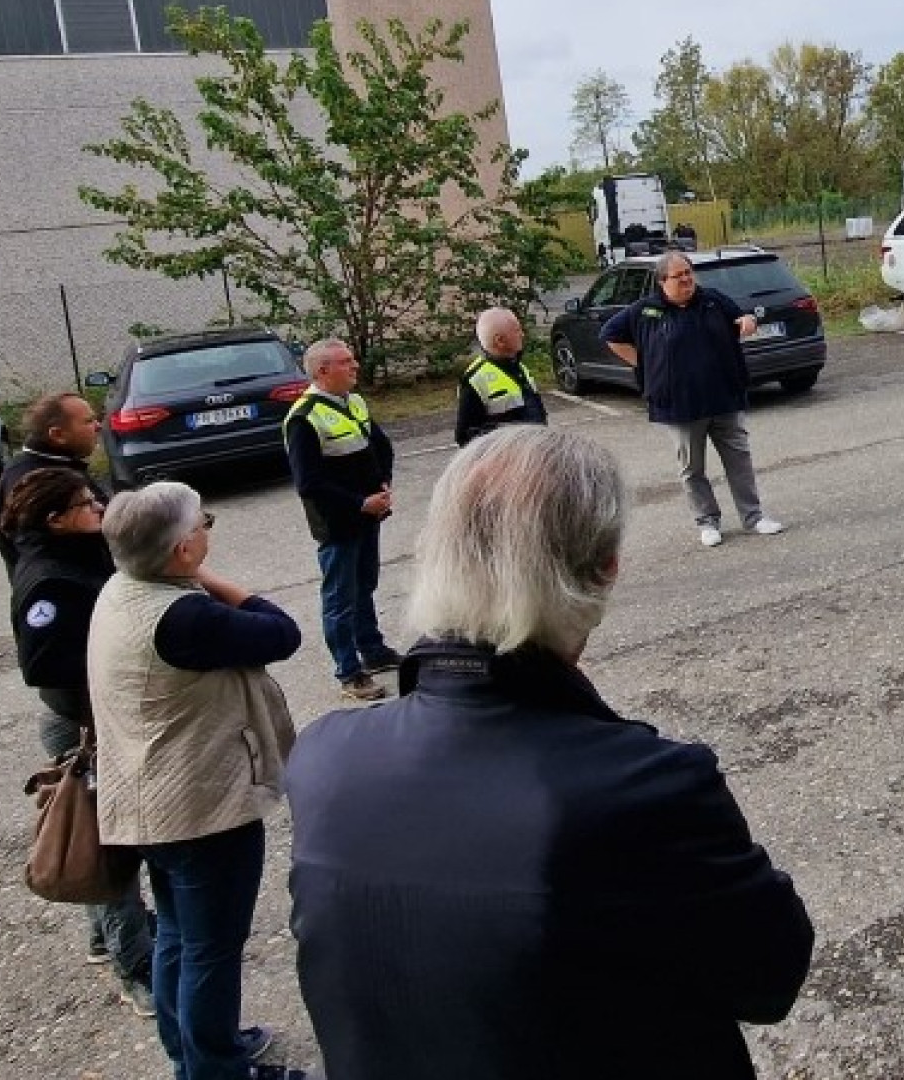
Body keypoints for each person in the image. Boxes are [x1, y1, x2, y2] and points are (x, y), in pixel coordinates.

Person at [285, 427, 814, 1078]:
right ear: (607, 567)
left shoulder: (323, 761)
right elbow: (770, 975)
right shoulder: (642, 786)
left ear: (437, 553)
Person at [87, 482, 304, 1080]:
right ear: (184, 551)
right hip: (201, 809)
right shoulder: (185, 618)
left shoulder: (121, 589)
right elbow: (281, 632)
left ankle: (193, 1049)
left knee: (181, 937)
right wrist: (219, 583)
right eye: (204, 524)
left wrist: (193, 580)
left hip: (148, 801)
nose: (209, 530)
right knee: (210, 946)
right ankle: (215, 1069)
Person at [1, 467, 155, 1016]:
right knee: (105, 852)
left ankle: (106, 937)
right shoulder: (49, 578)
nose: (98, 508)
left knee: (105, 843)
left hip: (99, 718)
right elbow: (43, 664)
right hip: (83, 727)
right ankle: (135, 968)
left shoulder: (77, 556)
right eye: (87, 504)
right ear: (56, 519)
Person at [601, 250, 787, 548]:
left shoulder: (711, 300)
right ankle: (707, 522)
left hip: (724, 397)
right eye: (679, 275)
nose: (687, 279)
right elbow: (609, 334)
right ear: (663, 281)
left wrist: (748, 321)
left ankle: (753, 517)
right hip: (680, 407)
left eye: (689, 272)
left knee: (739, 461)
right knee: (692, 469)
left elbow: (741, 316)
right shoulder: (644, 311)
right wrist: (643, 362)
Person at [284, 339, 401, 701]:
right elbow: (309, 483)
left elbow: (379, 446)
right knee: (340, 597)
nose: (355, 367)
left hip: (369, 514)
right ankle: (349, 672)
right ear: (322, 371)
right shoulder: (304, 418)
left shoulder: (354, 401)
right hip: (338, 524)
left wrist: (384, 483)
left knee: (365, 584)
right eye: (345, 362)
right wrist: (359, 503)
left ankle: (373, 649)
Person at [0, 391, 106, 575]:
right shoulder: (36, 483)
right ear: (58, 434)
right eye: (88, 421)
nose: (98, 426)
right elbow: (35, 551)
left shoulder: (61, 465)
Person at [453, 306, 547, 446]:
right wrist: (509, 437)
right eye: (517, 330)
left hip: (534, 452)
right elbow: (465, 436)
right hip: (511, 459)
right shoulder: (475, 379)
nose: (522, 334)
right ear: (500, 341)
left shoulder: (519, 367)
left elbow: (535, 410)